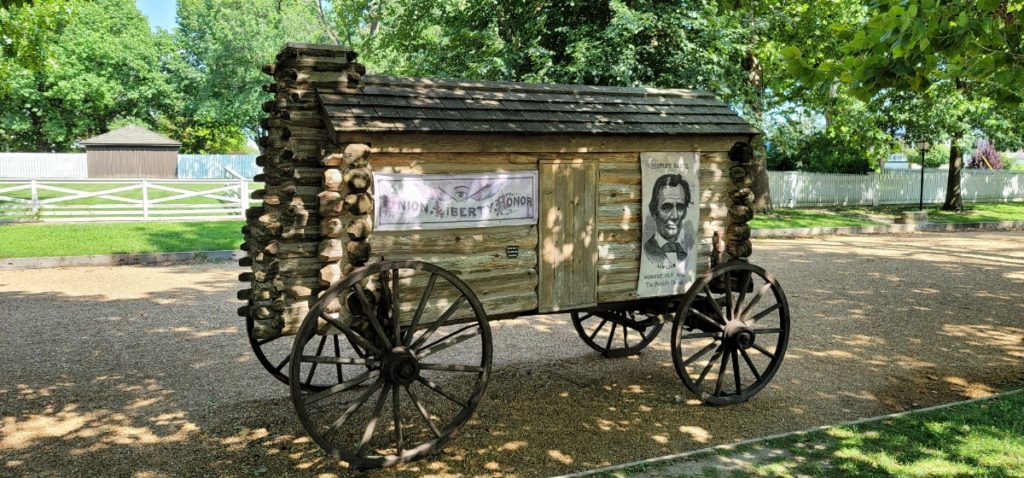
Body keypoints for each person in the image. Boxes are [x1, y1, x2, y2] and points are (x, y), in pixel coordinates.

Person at [642, 173, 694, 270]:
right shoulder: (647, 250)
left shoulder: (689, 247)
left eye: (680, 207)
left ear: (685, 212)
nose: (674, 216)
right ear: (654, 211)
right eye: (666, 207)